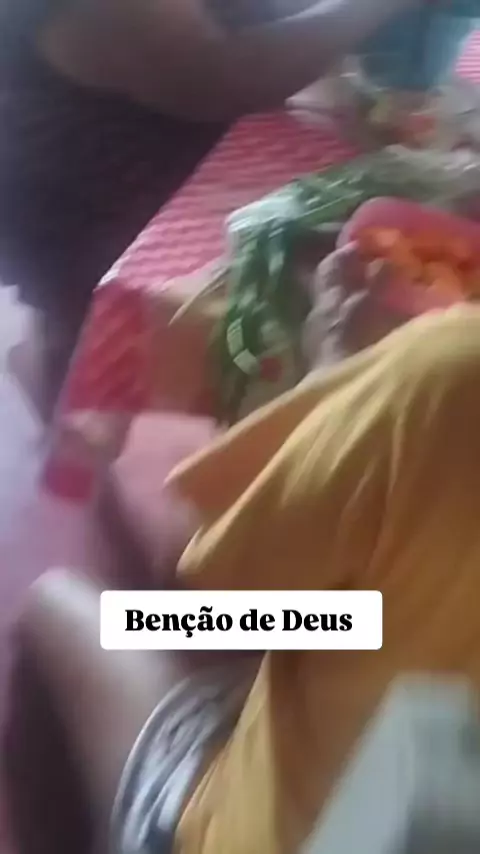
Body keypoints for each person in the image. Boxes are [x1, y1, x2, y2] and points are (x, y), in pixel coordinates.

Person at [6, 239, 480, 854]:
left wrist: (330, 374)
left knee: (58, 601)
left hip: (277, 832)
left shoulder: (445, 373)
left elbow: (212, 599)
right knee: (361, 614)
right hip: (387, 669)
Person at [0, 0, 417, 416]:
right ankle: (81, 406)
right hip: (93, 192)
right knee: (109, 330)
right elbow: (223, 74)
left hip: (167, 137)